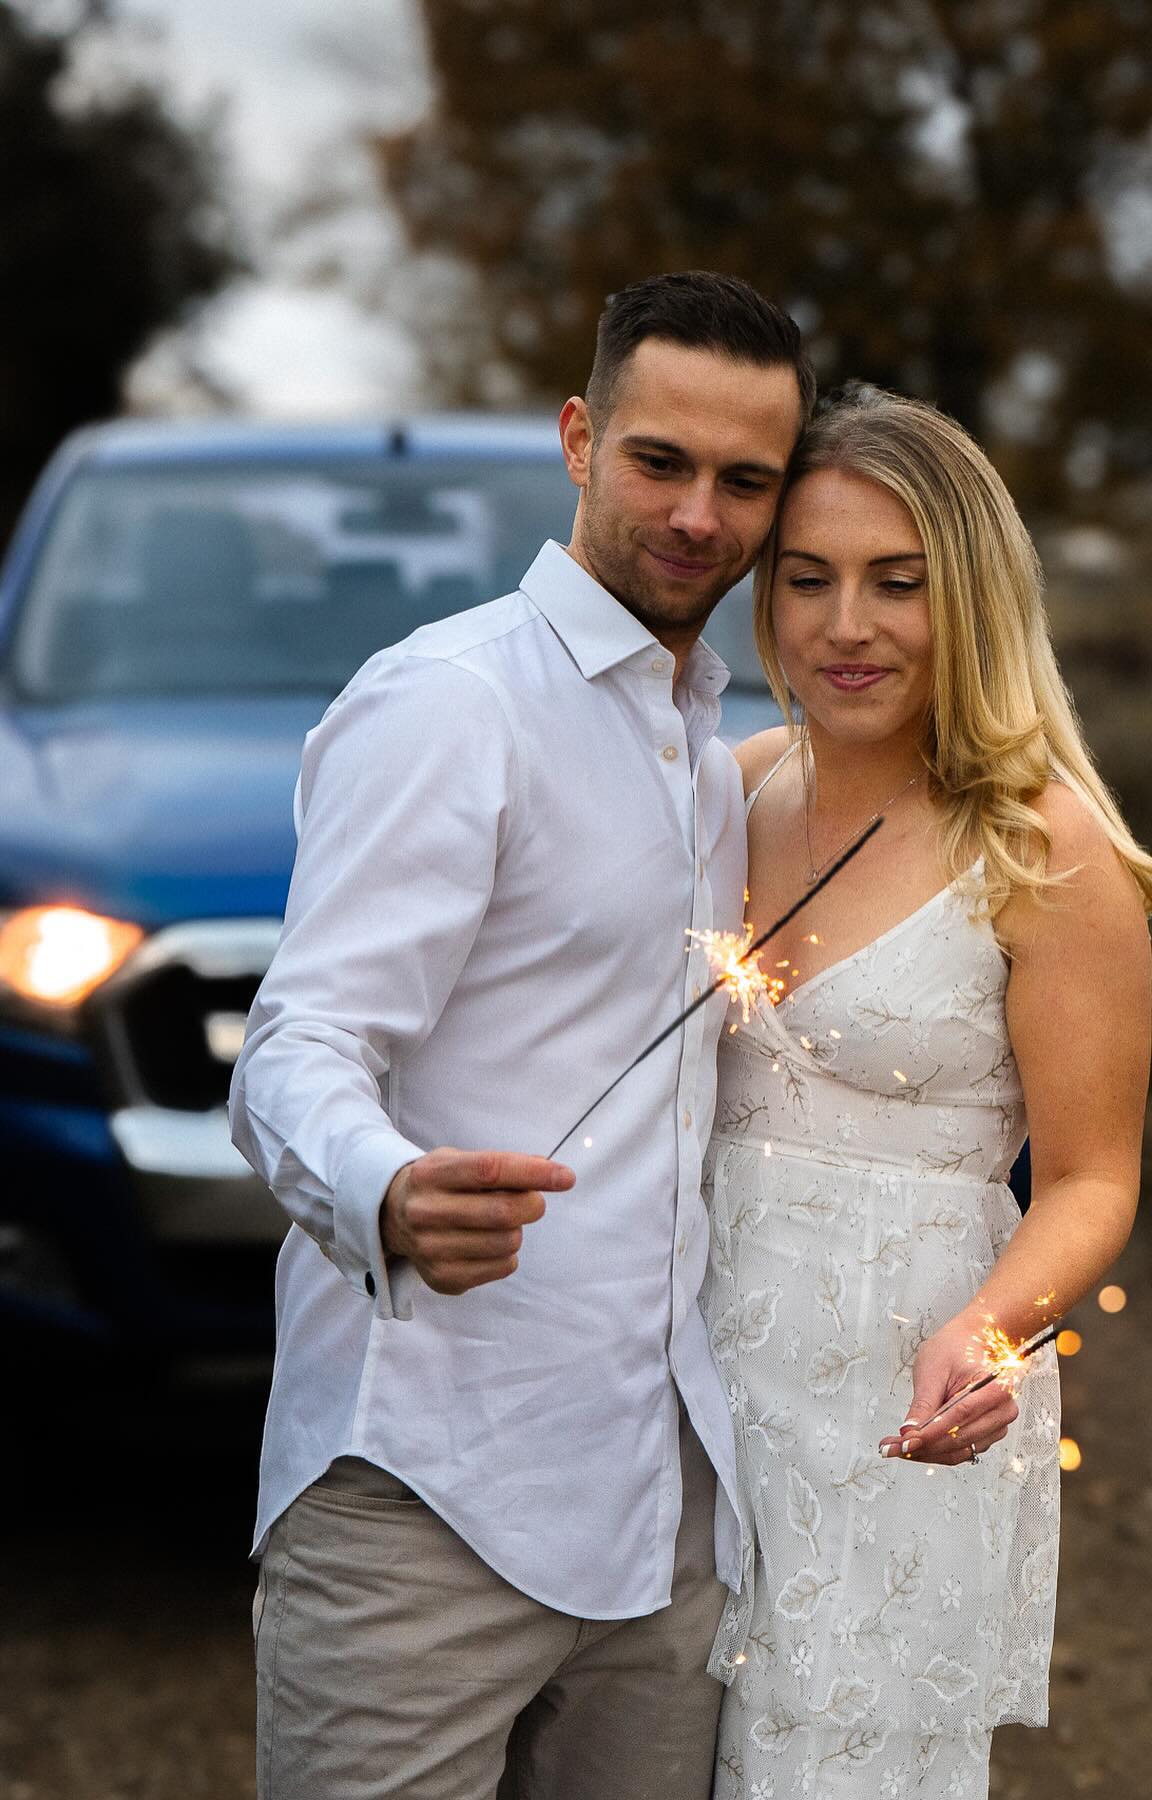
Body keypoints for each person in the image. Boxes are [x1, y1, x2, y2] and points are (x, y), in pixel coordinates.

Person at [228, 271, 814, 1800]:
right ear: (578, 437)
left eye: (745, 481)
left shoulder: (706, 746)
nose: (699, 514)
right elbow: (297, 1044)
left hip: (661, 1508)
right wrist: (386, 1190)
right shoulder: (448, 703)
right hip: (426, 1487)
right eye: (660, 461)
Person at [700, 385, 1152, 1798]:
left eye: (897, 584)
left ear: (967, 595)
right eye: (810, 579)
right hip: (690, 1393)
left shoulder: (1044, 848)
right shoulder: (731, 789)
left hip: (893, 1402)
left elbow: (1093, 1178)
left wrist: (990, 1331)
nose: (849, 625)